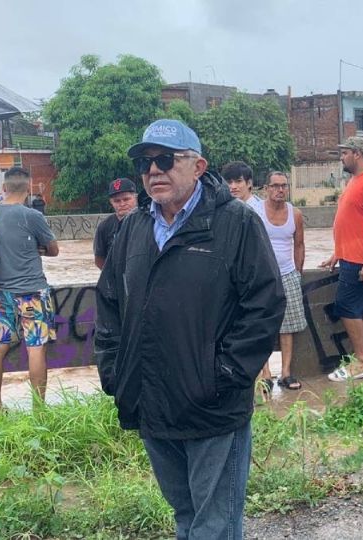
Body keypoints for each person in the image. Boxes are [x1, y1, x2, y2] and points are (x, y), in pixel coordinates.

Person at [95, 119, 284, 539]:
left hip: (212, 408)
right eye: (145, 163)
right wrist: (113, 370)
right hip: (152, 403)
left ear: (198, 166)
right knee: (185, 516)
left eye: (166, 159)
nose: (154, 170)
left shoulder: (235, 223)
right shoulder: (134, 229)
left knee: (214, 526)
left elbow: (265, 305)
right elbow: (108, 304)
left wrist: (227, 374)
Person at [0, 167, 59, 412]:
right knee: (35, 347)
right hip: (33, 291)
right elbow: (54, 250)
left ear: (3, 188)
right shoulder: (32, 216)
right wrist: (38, 249)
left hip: (1, 291)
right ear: (29, 188)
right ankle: (38, 411)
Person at [319, 136, 363, 382]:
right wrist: (337, 252)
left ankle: (360, 362)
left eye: (345, 152)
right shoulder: (355, 181)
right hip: (351, 255)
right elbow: (352, 222)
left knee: (346, 307)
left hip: (361, 259)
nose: (342, 157)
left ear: (357, 153)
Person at [254, 171, 308, 392]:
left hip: (287, 274)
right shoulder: (256, 212)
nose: (279, 190)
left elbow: (299, 244)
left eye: (284, 186)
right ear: (266, 188)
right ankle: (265, 373)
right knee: (262, 325)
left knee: (288, 326)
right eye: (275, 186)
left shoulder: (295, 214)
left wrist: (298, 272)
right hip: (262, 276)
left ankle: (285, 373)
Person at [93, 178, 138, 269]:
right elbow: (99, 259)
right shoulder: (104, 227)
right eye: (117, 201)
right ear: (111, 202)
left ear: (135, 198)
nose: (122, 204)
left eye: (126, 199)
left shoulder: (147, 221)